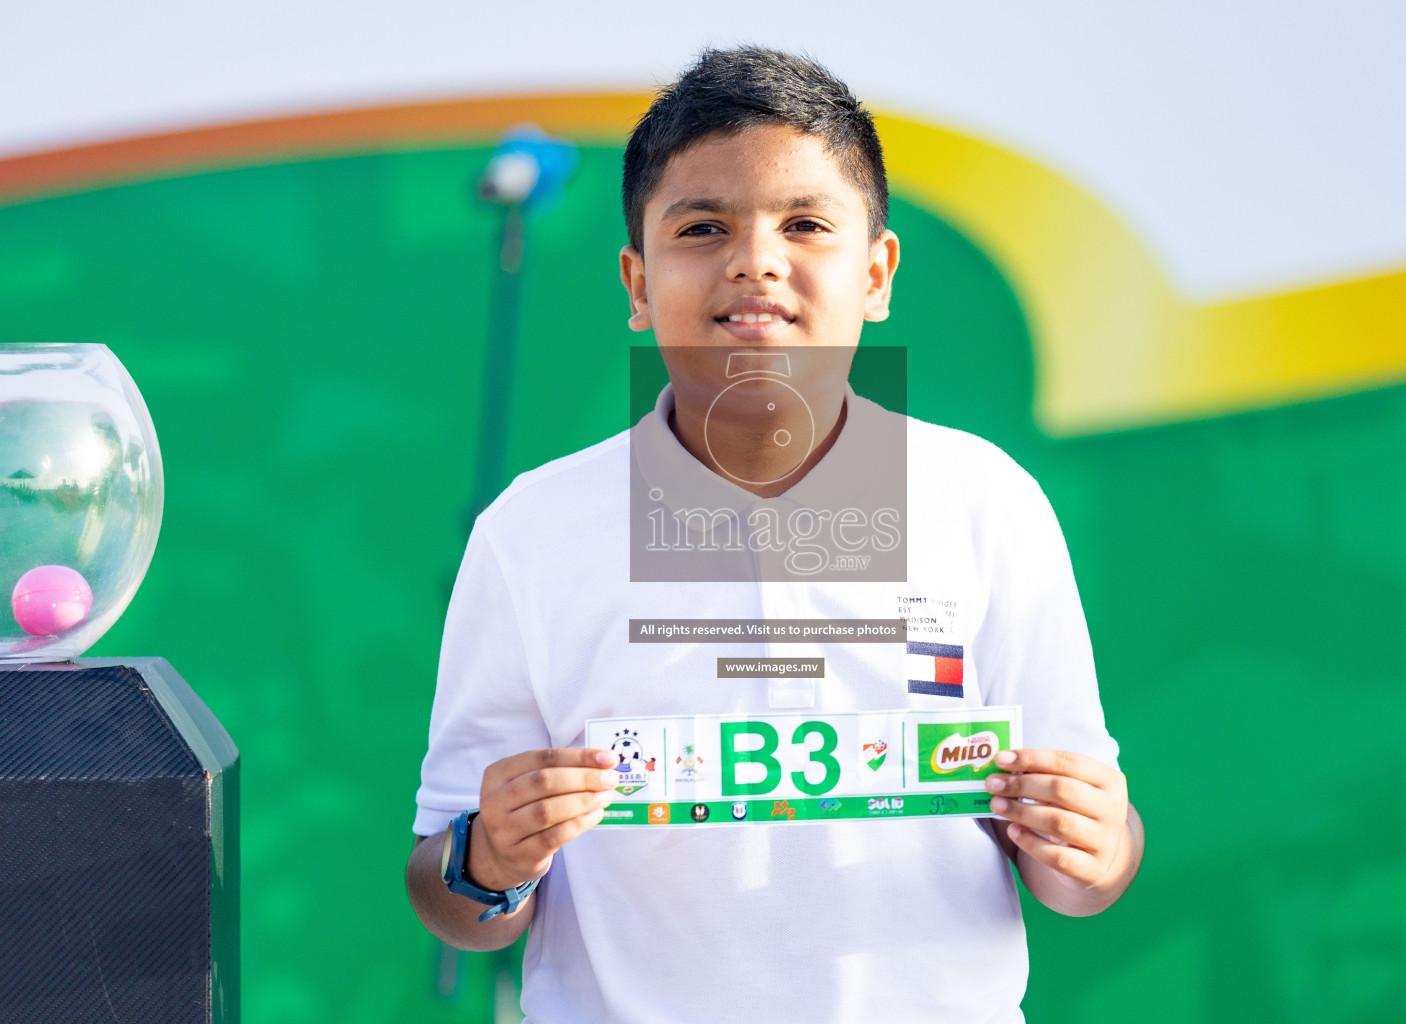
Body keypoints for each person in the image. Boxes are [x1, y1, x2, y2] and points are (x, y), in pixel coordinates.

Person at [406, 46, 1143, 1022]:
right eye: (703, 226)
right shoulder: (534, 534)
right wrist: (485, 858)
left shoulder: (984, 502)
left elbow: (1084, 863)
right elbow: (449, 893)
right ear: (635, 281)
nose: (755, 258)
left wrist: (1097, 848)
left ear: (877, 273)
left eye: (805, 223)